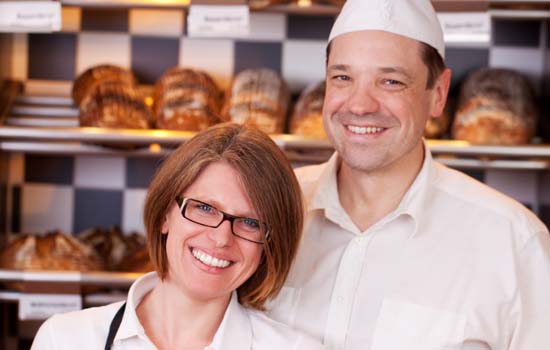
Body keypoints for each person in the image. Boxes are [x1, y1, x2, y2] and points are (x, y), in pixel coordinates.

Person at [267, 1, 550, 349]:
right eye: (343, 77)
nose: (359, 105)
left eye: (391, 81)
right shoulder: (264, 210)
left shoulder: (513, 242)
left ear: (439, 95)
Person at [31, 123, 324, 350]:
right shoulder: (67, 340)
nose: (222, 238)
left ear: (269, 245)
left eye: (250, 222)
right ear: (164, 216)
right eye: (206, 208)